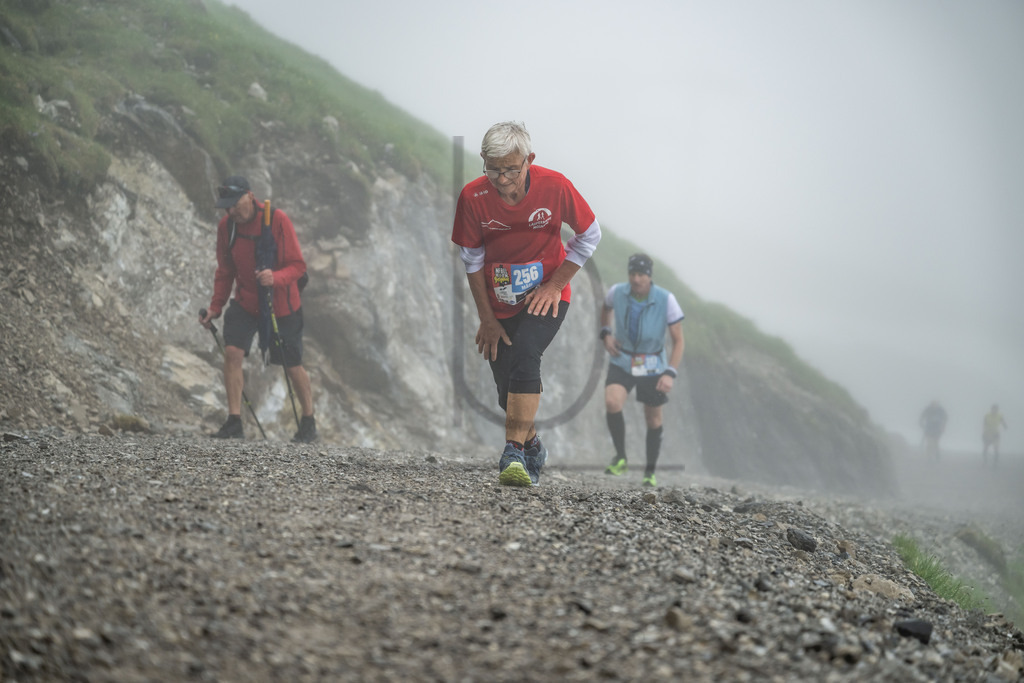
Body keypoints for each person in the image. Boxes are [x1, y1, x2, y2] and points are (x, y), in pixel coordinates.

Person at [451, 121, 601, 486]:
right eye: (492, 168)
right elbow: (471, 260)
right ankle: (532, 443)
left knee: (525, 354)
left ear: (529, 160)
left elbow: (589, 235)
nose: (501, 179)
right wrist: (486, 319)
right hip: (499, 301)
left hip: (545, 295)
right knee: (507, 390)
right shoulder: (473, 197)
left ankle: (513, 452)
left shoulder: (556, 186)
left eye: (511, 170)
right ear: (483, 160)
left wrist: (555, 284)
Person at [199, 175, 318, 443]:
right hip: (245, 301)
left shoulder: (276, 220)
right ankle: (234, 422)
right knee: (232, 352)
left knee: (292, 365)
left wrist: (275, 278)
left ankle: (309, 421)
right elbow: (225, 270)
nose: (230, 211)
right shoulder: (226, 228)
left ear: (250, 197)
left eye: (234, 204)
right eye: (226, 207)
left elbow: (298, 265)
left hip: (282, 305)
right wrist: (215, 307)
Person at [601, 254, 685, 487]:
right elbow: (605, 308)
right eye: (633, 274)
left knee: (653, 417)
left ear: (649, 276)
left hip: (653, 364)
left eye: (641, 275)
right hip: (623, 359)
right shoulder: (617, 291)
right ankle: (621, 458)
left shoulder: (666, 300)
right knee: (612, 402)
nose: (636, 279)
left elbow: (679, 341)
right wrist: (606, 333)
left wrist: (670, 373)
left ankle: (650, 471)